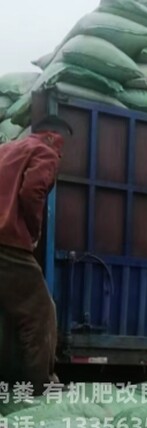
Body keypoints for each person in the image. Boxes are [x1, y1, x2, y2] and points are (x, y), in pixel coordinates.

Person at [0, 115, 73, 395]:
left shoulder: (6, 149)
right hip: (8, 243)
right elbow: (32, 191)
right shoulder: (44, 150)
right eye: (62, 146)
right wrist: (32, 229)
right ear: (53, 137)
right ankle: (40, 387)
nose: (62, 154)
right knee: (40, 312)